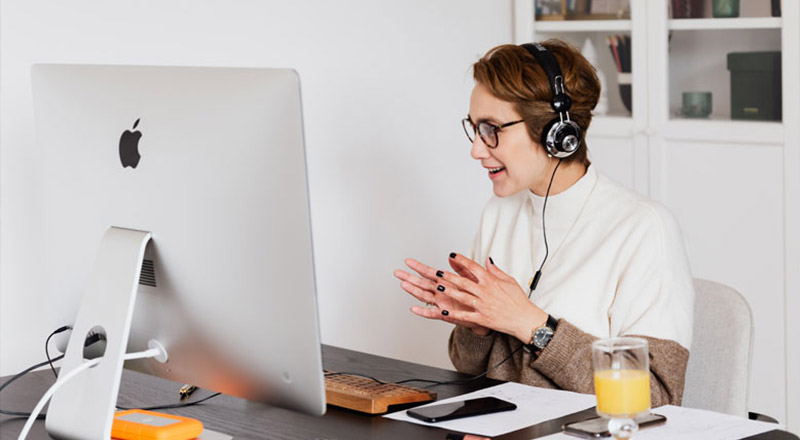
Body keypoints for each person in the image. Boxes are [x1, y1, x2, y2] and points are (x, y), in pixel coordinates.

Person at [394, 39, 694, 406]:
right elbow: (469, 369)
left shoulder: (644, 228)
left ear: (556, 133)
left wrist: (531, 324)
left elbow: (657, 397)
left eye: (492, 129)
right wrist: (477, 327)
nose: (476, 149)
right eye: (474, 129)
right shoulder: (499, 212)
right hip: (500, 426)